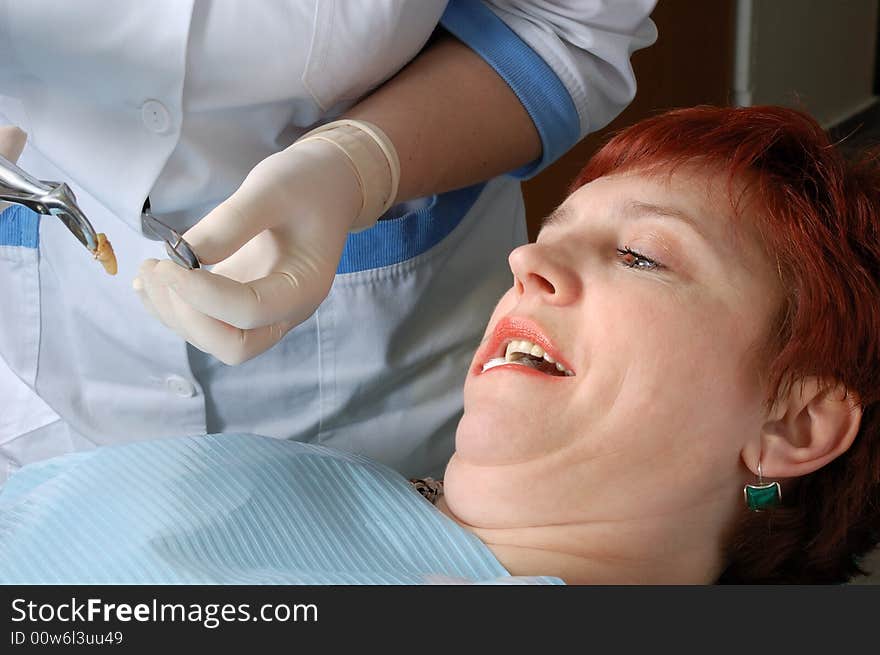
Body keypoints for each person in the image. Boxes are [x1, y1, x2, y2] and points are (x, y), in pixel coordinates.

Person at [2, 105, 878, 585]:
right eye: (554, 228)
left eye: (641, 254)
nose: (527, 257)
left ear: (793, 424)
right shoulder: (304, 484)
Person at [0, 2, 658, 484]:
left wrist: (360, 165)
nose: (536, 266)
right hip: (53, 349)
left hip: (386, 382)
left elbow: (564, 25)